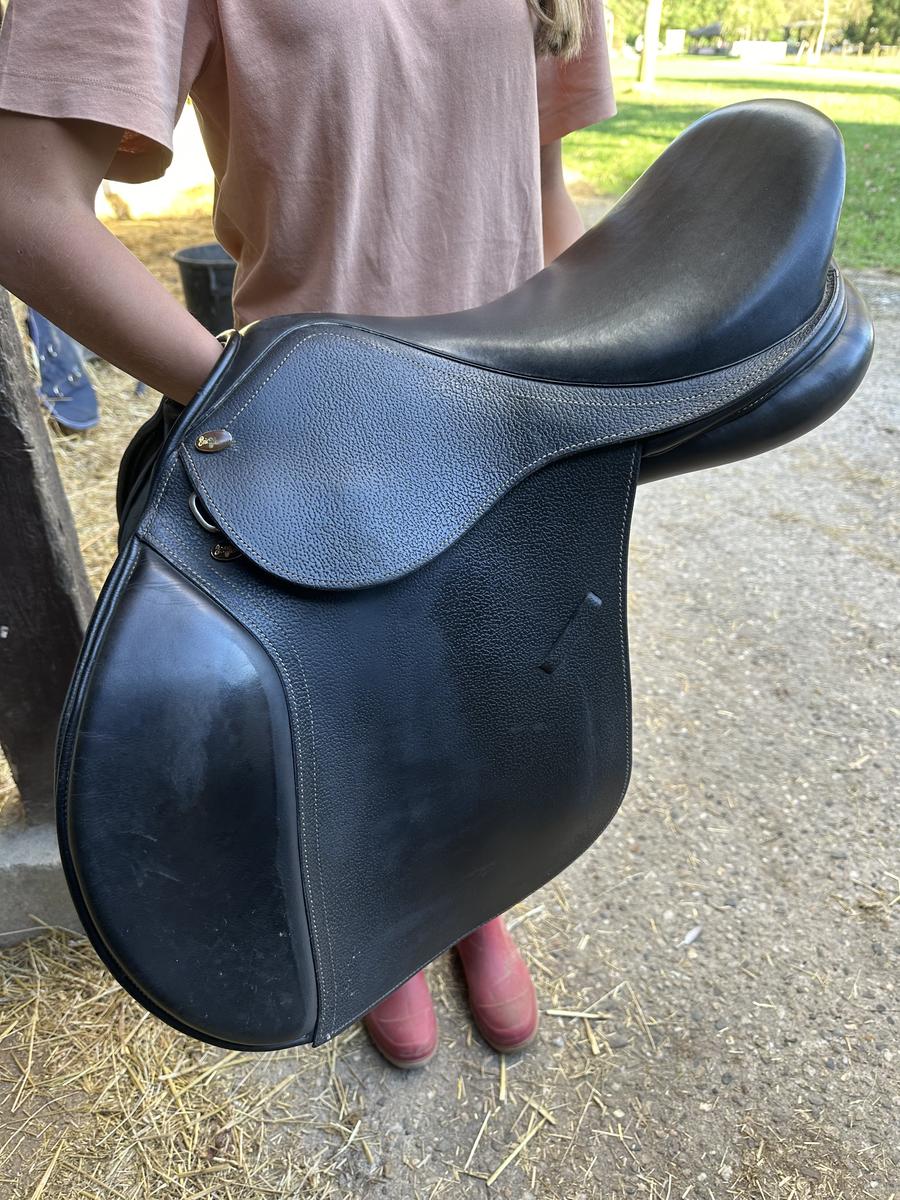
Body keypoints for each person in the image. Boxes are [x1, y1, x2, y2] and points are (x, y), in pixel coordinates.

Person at [0, 0, 616, 1068]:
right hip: (325, 429)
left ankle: (475, 896)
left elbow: (541, 191)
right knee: (362, 708)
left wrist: (607, 391)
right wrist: (258, 404)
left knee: (499, 678)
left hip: (516, 417)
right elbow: (22, 194)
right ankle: (384, 906)